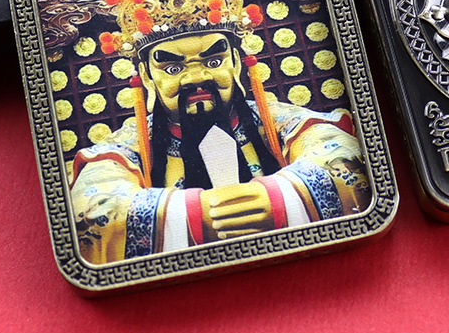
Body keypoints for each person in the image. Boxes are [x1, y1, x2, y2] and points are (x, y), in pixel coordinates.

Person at [70, 30, 371, 263]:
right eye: (172, 68)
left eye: (214, 62)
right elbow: (91, 202)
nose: (197, 78)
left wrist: (281, 197)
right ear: (147, 77)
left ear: (236, 63)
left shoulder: (274, 120)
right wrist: (192, 214)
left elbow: (343, 152)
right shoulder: (132, 143)